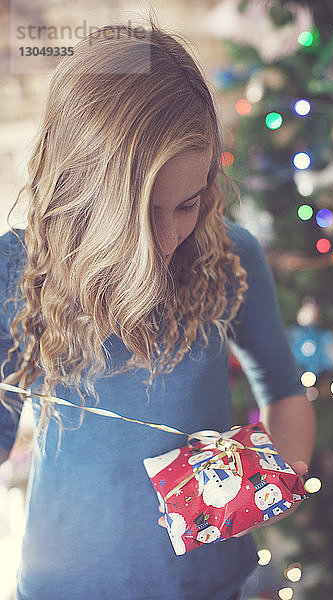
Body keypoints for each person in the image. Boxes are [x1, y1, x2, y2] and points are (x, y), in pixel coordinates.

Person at [0, 15, 316, 600]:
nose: (168, 241)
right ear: (79, 191)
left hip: (210, 584)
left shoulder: (230, 259)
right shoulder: (18, 270)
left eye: (188, 205)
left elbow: (284, 392)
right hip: (62, 588)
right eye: (143, 217)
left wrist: (273, 477)